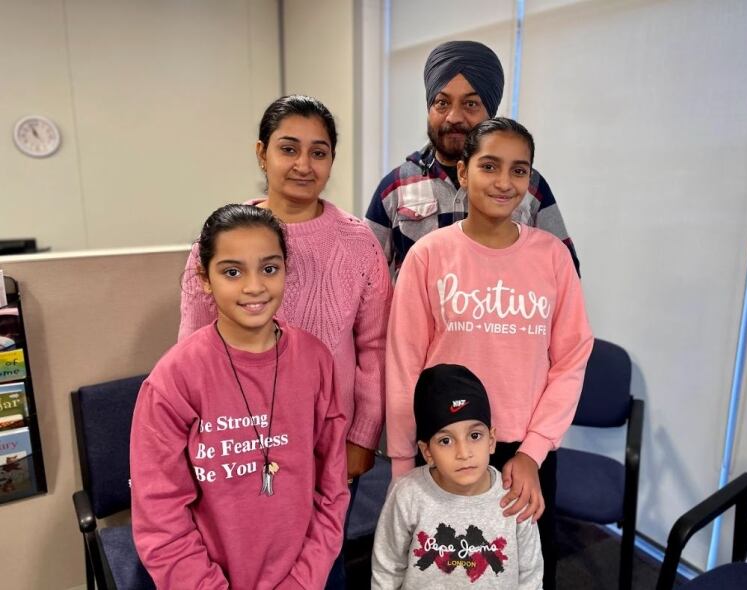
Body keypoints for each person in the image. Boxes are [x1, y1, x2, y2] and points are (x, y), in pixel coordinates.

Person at [385, 118, 594, 590]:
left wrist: (534, 452)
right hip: (443, 447)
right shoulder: (429, 255)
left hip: (523, 452)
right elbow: (403, 367)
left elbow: (572, 357)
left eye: (519, 171)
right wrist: (403, 468)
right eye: (489, 166)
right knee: (440, 574)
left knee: (516, 574)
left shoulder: (552, 257)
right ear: (462, 172)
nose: (504, 182)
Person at [130, 204, 348, 589]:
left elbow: (331, 489)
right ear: (205, 278)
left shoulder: (315, 360)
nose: (254, 287)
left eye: (269, 268)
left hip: (305, 577)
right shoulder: (174, 380)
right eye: (232, 272)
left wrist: (303, 581)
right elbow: (161, 519)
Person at [179, 95, 392, 483]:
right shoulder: (220, 241)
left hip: (330, 442)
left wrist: (363, 436)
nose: (303, 165)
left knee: (329, 544)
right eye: (288, 149)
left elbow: (375, 349)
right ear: (262, 153)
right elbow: (192, 352)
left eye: (319, 153)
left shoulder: (359, 243)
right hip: (239, 444)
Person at [365, 40, 579, 278]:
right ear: (429, 108)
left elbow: (563, 273)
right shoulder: (395, 187)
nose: (454, 117)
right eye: (442, 103)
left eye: (470, 104)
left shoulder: (527, 186)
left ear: (491, 113)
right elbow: (363, 281)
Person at [372, 364, 543, 589]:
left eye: (474, 435)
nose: (463, 453)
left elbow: (530, 576)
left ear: (491, 441)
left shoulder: (514, 497)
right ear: (427, 452)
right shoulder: (407, 495)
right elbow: (387, 568)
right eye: (446, 441)